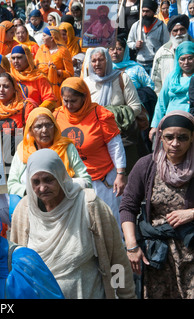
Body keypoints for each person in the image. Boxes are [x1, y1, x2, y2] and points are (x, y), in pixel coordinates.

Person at [10, 148, 136, 299]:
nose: (42, 188)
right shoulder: (24, 211)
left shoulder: (89, 204)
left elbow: (117, 260)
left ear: (61, 175)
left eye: (48, 179)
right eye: (36, 182)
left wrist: (126, 295)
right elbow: (17, 265)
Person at [120, 111, 194, 299]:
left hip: (190, 250)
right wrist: (131, 246)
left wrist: (191, 213)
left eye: (182, 138)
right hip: (156, 254)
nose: (175, 143)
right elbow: (128, 206)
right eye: (169, 137)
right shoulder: (146, 166)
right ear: (160, 136)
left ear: (192, 138)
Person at [54, 77, 127, 228]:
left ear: (84, 97)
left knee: (109, 223)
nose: (68, 105)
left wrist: (120, 173)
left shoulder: (100, 114)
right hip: (73, 181)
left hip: (103, 180)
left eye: (73, 101)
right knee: (82, 225)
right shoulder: (56, 116)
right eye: (65, 100)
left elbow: (115, 145)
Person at [83, 47, 144, 174]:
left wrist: (112, 114)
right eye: (93, 61)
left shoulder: (121, 78)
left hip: (120, 137)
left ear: (108, 61)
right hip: (96, 138)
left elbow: (136, 107)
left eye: (101, 60)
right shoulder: (86, 83)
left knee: (125, 176)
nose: (97, 64)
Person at [8, 107, 91, 198]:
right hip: (31, 203)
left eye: (48, 125)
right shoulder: (22, 151)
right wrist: (33, 192)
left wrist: (62, 188)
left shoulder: (66, 147)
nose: (44, 130)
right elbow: (12, 184)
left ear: (55, 127)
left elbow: (85, 179)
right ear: (30, 131)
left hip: (65, 200)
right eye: (38, 126)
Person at [149, 41, 194, 140]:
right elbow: (162, 102)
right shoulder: (172, 77)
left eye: (190, 58)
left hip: (190, 124)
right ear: (177, 60)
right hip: (170, 123)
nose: (186, 62)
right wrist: (155, 126)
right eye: (182, 59)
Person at [151, 14, 192, 95]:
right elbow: (155, 81)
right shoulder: (162, 53)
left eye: (182, 29)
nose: (179, 33)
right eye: (175, 31)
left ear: (187, 30)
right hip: (169, 100)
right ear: (170, 33)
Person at [126, 0, 170, 75]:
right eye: (143, 11)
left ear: (153, 12)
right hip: (139, 64)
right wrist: (135, 45)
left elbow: (167, 45)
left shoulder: (161, 26)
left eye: (147, 11)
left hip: (156, 64)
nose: (144, 14)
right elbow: (129, 42)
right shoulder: (136, 26)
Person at [9, 44, 57, 110]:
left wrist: (35, 111)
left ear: (28, 58)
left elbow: (50, 99)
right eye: (13, 58)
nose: (15, 61)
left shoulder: (39, 77)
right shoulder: (10, 77)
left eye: (19, 57)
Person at [35, 27, 74, 105]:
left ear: (52, 38)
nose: (42, 38)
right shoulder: (41, 49)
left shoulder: (63, 51)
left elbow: (70, 73)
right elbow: (35, 66)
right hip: (42, 85)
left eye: (44, 36)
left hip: (58, 87)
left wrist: (57, 71)